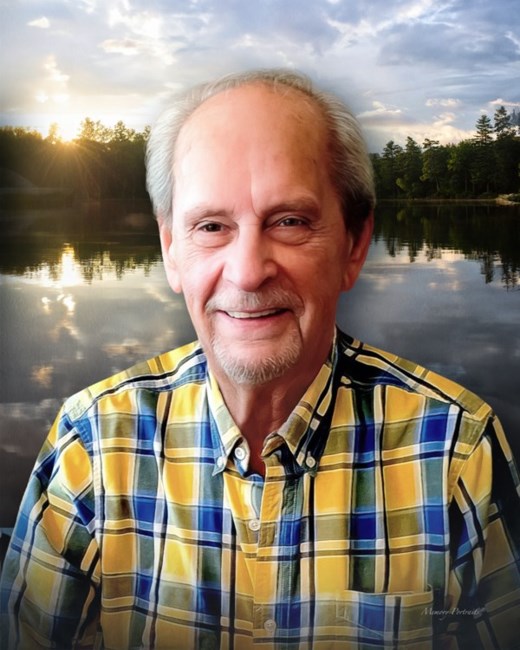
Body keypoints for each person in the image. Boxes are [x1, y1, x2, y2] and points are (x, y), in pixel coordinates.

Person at [1, 69, 519, 650]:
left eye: (289, 221)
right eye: (211, 226)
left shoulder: (456, 454)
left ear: (353, 245)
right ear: (171, 251)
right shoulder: (92, 445)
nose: (248, 272)